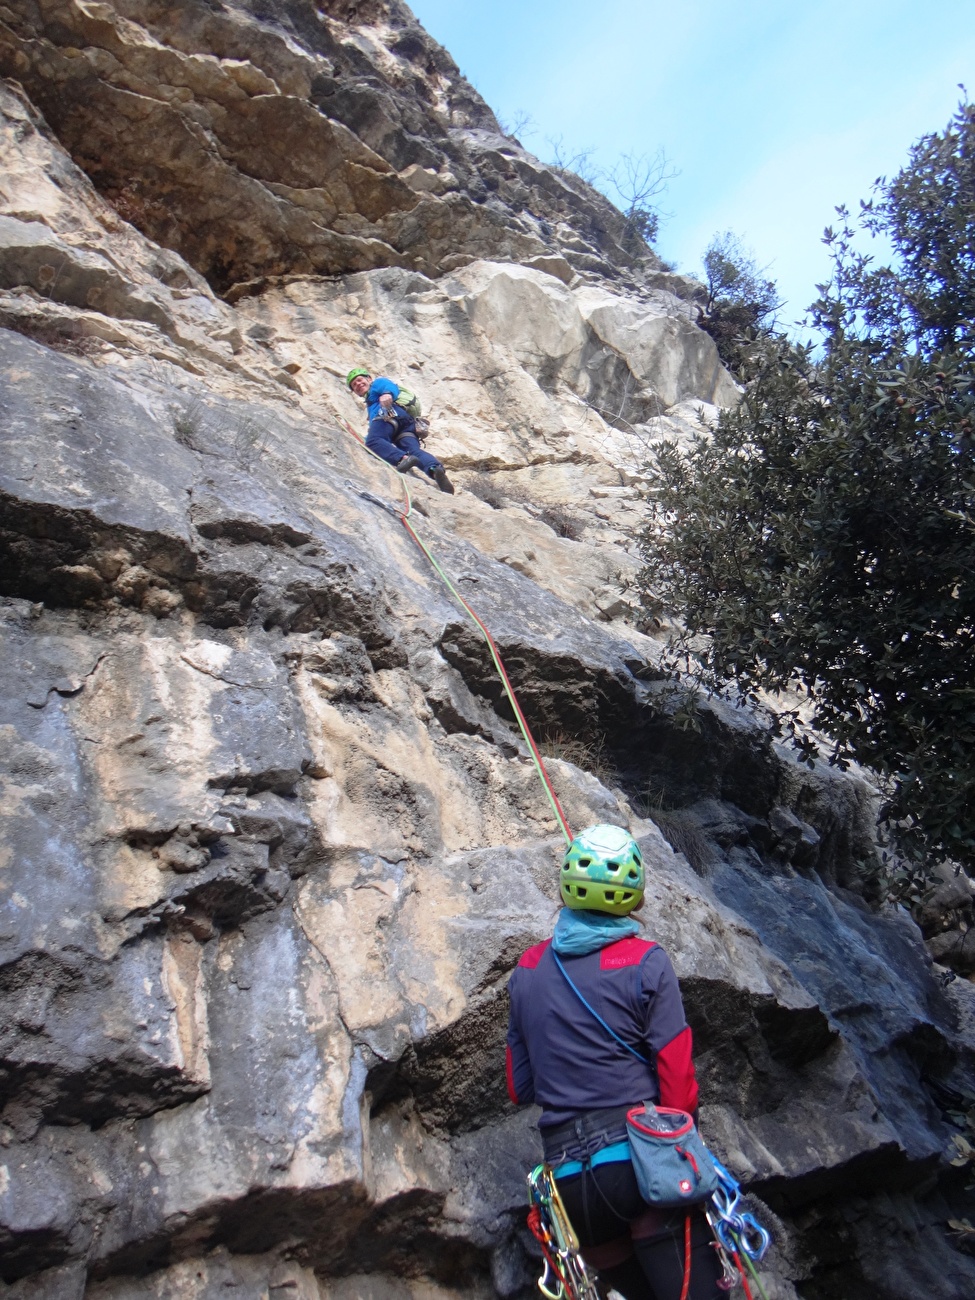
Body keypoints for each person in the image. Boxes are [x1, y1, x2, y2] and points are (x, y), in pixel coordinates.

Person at [506, 824, 724, 1300]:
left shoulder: (526, 969)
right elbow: (677, 1079)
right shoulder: (647, 961)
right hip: (640, 1165)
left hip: (569, 1183)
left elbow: (520, 1087)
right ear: (635, 894)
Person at [347, 368, 454, 493]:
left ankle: (402, 459)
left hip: (389, 414)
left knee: (373, 442)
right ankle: (435, 469)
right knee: (414, 451)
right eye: (354, 385)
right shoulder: (371, 403)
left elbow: (388, 386)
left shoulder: (377, 384)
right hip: (406, 423)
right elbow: (379, 432)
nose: (358, 384)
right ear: (355, 392)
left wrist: (387, 394)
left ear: (369, 379)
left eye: (359, 380)